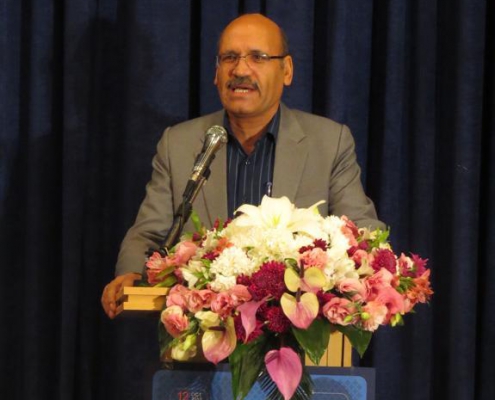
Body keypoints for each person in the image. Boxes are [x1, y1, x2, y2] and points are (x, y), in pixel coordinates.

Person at [101, 13, 385, 318]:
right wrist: (131, 272)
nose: (240, 70)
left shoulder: (328, 143)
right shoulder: (179, 145)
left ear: (287, 70)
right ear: (216, 72)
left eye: (258, 57)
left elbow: (362, 234)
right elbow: (148, 235)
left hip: (295, 331)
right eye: (229, 58)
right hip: (203, 329)